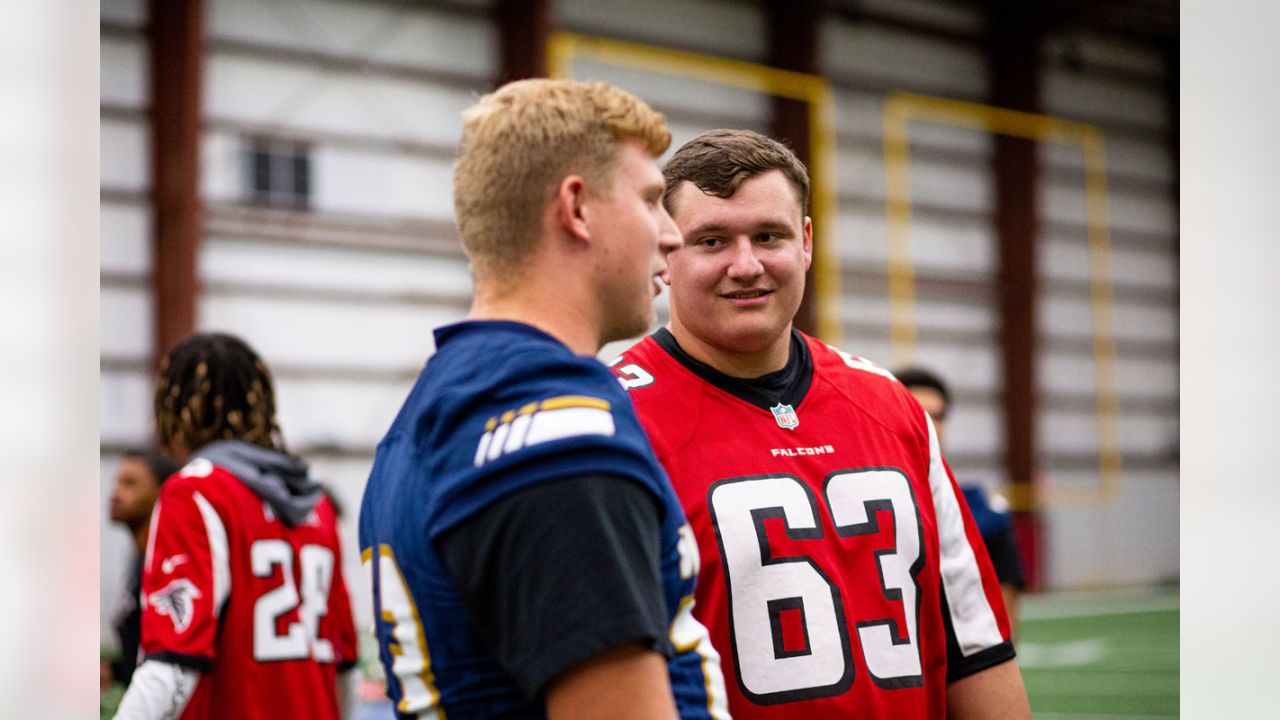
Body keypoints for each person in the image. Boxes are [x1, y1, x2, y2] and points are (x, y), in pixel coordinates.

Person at [612, 129, 1031, 718]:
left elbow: (975, 647)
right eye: (712, 240)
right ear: (667, 251)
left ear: (805, 241)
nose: (746, 265)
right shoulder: (612, 420)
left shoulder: (889, 405)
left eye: (769, 236)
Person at [357, 78, 728, 720]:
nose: (671, 235)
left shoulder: (440, 405)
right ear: (577, 208)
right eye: (649, 200)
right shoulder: (552, 427)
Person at [114, 333, 358, 719]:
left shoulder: (196, 491)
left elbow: (173, 661)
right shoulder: (318, 505)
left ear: (176, 408)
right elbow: (345, 664)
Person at [895, 366, 1027, 640]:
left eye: (938, 416)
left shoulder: (982, 514)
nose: (930, 425)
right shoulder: (858, 501)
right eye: (918, 413)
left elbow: (1005, 621)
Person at [105, 448, 180, 689]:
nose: (116, 493)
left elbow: (169, 658)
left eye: (130, 484)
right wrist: (113, 671)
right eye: (116, 482)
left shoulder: (169, 567)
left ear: (161, 492)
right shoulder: (138, 558)